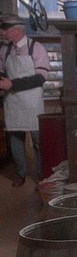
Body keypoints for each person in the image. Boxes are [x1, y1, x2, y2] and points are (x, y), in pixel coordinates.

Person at [0, 14, 48, 187]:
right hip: (12, 102)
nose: (2, 32)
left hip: (31, 102)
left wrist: (12, 83)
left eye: (5, 29)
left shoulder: (36, 48)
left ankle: (42, 175)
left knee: (38, 141)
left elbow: (41, 77)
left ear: (16, 30)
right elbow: (1, 71)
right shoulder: (5, 50)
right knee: (15, 140)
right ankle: (20, 173)